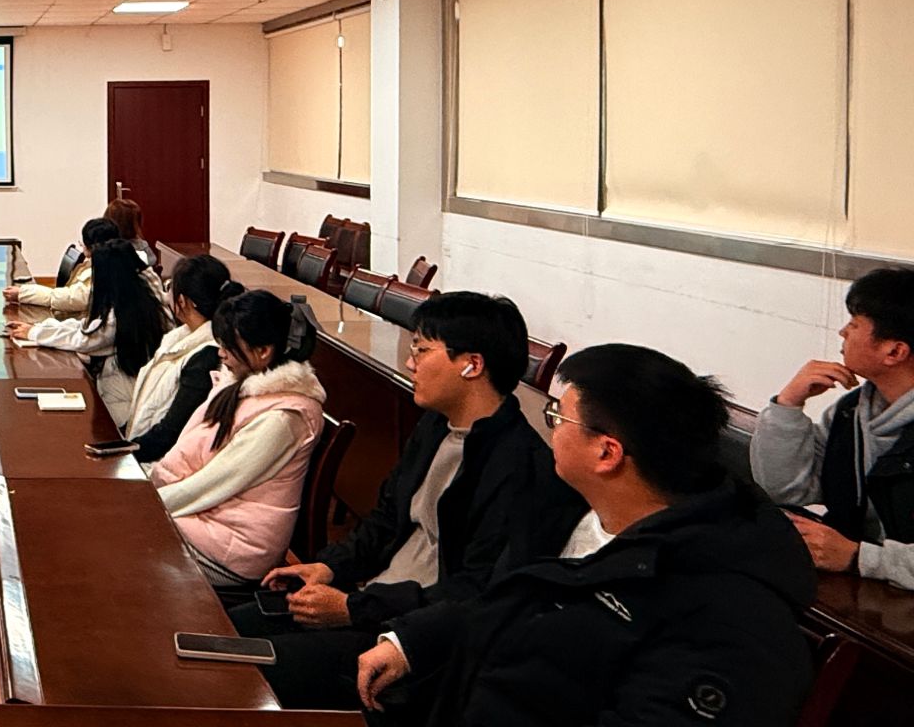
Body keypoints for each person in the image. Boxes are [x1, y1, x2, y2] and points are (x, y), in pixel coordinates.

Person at [357, 344, 816, 727]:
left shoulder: (724, 610)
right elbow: (515, 600)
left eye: (558, 416)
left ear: (607, 452)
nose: (550, 428)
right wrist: (416, 639)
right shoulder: (572, 507)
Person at [231, 292, 583, 711]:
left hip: (409, 637)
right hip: (368, 597)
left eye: (421, 350)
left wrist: (354, 609)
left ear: (471, 365)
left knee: (249, 674)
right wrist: (330, 567)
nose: (410, 363)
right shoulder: (435, 426)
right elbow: (385, 518)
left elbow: (474, 590)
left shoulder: (520, 467)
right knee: (229, 629)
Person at [753, 266, 914, 589]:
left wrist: (860, 557)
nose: (843, 332)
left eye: (854, 324)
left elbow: (855, 554)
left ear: (894, 351)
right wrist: (788, 405)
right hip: (865, 589)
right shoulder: (850, 412)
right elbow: (787, 490)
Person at [150, 290, 325, 585]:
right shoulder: (243, 385)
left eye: (229, 346)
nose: (221, 353)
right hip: (204, 520)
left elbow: (212, 484)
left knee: (122, 544)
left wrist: (146, 504)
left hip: (232, 548)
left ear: (263, 351)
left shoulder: (284, 418)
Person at [6, 239, 169, 429]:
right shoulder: (135, 295)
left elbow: (85, 340)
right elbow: (86, 326)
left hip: (125, 404)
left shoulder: (126, 313)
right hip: (122, 388)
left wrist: (35, 333)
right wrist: (40, 328)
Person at [127, 253, 240, 463]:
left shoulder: (207, 356)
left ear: (182, 301)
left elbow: (170, 434)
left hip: (159, 464)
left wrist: (122, 454)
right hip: (143, 450)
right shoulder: (179, 339)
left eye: (170, 287)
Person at [4, 218, 121, 314]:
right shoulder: (97, 263)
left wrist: (23, 293)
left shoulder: (105, 271)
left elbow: (69, 298)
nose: (81, 244)